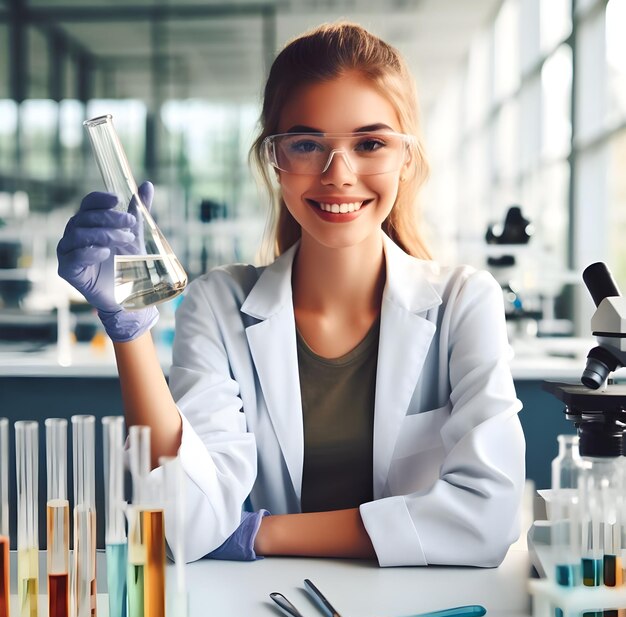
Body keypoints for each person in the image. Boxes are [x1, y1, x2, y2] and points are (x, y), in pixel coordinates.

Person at [57, 21, 525, 568]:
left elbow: (487, 519)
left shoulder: (464, 301)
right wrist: (129, 330)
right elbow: (185, 522)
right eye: (306, 144)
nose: (338, 174)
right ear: (274, 160)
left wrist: (263, 535)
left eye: (370, 143)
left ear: (407, 157)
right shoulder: (219, 304)